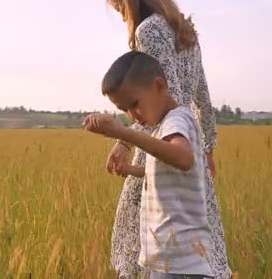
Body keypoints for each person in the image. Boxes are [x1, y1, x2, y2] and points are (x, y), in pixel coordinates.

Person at [104, 0, 231, 278]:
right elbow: (202, 95)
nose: (123, 19)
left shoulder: (148, 31)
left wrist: (123, 140)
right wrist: (208, 148)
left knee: (144, 246)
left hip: (163, 139)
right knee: (199, 244)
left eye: (121, 9)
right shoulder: (184, 32)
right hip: (188, 137)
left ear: (132, 0)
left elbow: (161, 101)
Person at [84, 51, 216, 278]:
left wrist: (123, 133)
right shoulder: (162, 126)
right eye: (124, 109)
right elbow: (167, 173)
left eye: (134, 104)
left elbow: (183, 158)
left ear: (159, 85)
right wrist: (131, 170)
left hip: (182, 263)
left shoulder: (178, 119)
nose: (132, 115)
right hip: (166, 259)